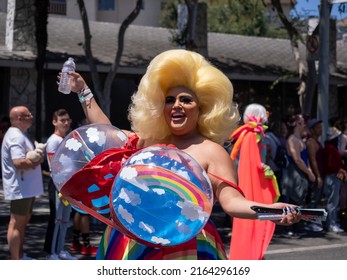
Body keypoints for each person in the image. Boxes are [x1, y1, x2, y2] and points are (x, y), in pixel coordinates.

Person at [65, 49, 300, 260]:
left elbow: (233, 203)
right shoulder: (148, 142)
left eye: (185, 100)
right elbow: (106, 133)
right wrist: (83, 91)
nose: (176, 105)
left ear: (203, 108)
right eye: (169, 100)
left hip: (186, 248)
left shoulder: (213, 152)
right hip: (132, 242)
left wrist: (270, 211)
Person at [228, 103, 280, 260]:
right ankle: (252, 251)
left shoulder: (250, 134)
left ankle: (252, 250)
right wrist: (265, 169)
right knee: (257, 215)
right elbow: (253, 162)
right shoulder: (252, 135)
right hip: (254, 181)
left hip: (249, 179)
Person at [1, 106, 44, 260]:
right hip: (21, 187)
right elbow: (18, 162)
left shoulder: (20, 134)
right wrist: (38, 160)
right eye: (28, 114)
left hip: (26, 188)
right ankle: (15, 260)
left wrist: (36, 158)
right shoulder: (15, 136)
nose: (31, 116)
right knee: (17, 223)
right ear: (19, 118)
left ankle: (19, 255)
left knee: (22, 223)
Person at [44, 109, 78, 260]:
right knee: (57, 219)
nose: (65, 123)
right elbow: (54, 166)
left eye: (67, 120)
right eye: (62, 120)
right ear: (54, 122)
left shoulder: (66, 139)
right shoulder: (53, 140)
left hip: (67, 184)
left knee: (65, 219)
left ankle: (60, 250)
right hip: (58, 184)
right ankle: (52, 253)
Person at [323, 127, 347, 233]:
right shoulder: (330, 149)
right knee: (332, 202)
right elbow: (332, 165)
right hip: (332, 177)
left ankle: (333, 222)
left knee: (334, 201)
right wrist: (340, 170)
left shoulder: (332, 148)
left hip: (334, 176)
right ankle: (331, 224)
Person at [304, 118, 324, 232]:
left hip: (320, 175)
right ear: (312, 130)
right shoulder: (311, 142)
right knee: (313, 200)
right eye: (317, 128)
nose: (320, 130)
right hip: (316, 176)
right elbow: (313, 160)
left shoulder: (317, 141)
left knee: (316, 200)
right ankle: (310, 224)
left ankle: (313, 222)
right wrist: (318, 176)